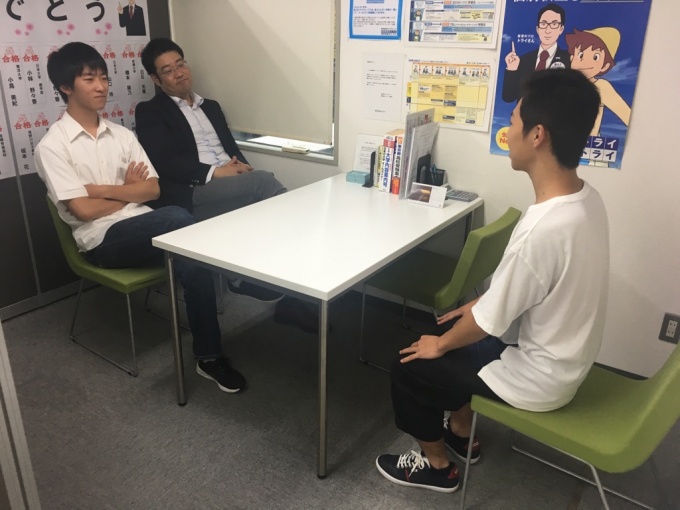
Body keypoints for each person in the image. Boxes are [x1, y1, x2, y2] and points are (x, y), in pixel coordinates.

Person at [375, 69, 609, 494]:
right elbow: (530, 290)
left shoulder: (543, 228)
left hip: (539, 378)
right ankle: (461, 430)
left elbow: (487, 324)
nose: (508, 130)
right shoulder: (586, 199)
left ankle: (438, 466)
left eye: (513, 120)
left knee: (410, 364)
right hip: (565, 360)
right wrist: (473, 312)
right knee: (451, 324)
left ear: (537, 135)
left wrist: (440, 346)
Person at [35, 42, 246, 395]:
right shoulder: (52, 147)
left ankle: (209, 357)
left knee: (188, 248)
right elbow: (83, 211)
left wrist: (103, 191)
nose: (101, 86)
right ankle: (229, 301)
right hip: (102, 241)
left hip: (148, 226)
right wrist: (127, 192)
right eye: (89, 79)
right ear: (66, 87)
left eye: (104, 77)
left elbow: (152, 190)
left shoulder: (122, 135)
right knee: (179, 220)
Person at [136, 38, 318, 333]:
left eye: (181, 64)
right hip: (193, 191)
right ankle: (284, 280)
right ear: (156, 79)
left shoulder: (211, 106)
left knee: (263, 191)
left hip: (225, 181)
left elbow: (231, 149)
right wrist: (216, 173)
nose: (179, 73)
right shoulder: (150, 112)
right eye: (168, 71)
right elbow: (165, 162)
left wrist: (242, 168)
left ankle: (279, 290)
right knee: (264, 184)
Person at [566, 27, 630, 135]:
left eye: (595, 57)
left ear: (605, 66)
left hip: (587, 143)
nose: (585, 62)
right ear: (572, 58)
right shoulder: (564, 84)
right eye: (580, 55)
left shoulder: (601, 86)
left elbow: (627, 115)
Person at [502, 3, 570, 103]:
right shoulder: (523, 60)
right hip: (524, 113)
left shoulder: (569, 59)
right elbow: (508, 97)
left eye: (554, 24)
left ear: (561, 29)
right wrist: (512, 69)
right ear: (537, 29)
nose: (548, 30)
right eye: (543, 24)